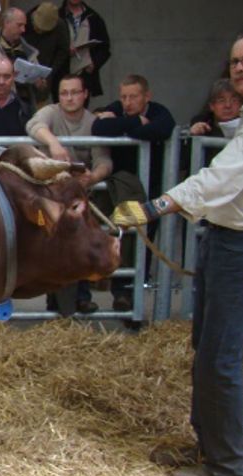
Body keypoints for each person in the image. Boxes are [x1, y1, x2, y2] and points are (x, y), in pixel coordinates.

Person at [111, 31, 243, 476]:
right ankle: (210, 447)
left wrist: (154, 207)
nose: (240, 69)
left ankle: (227, 467)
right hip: (227, 240)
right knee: (206, 351)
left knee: (219, 358)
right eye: (235, 62)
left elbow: (222, 176)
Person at [26, 73, 112, 314]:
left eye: (75, 92)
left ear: (85, 94)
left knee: (82, 244)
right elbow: (33, 125)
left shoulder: (94, 122)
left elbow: (104, 159)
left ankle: (81, 298)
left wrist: (94, 177)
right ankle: (55, 302)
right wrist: (53, 143)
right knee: (50, 245)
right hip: (51, 197)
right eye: (64, 93)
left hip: (81, 197)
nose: (69, 97)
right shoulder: (51, 113)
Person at [91, 74, 175, 311]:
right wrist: (137, 121)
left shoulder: (159, 111)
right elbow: (99, 127)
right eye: (124, 97)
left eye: (133, 97)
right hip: (121, 188)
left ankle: (137, 294)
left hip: (151, 189)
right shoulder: (117, 108)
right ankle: (121, 294)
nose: (127, 102)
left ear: (146, 96)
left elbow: (162, 129)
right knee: (121, 236)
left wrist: (124, 125)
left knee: (144, 240)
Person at [0, 7, 42, 108]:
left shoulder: (28, 51)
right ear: (6, 23)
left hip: (25, 107)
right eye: (19, 25)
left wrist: (39, 83)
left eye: (24, 25)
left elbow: (39, 83)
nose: (23, 30)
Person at [58, 0, 109, 99]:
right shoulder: (57, 16)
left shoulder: (93, 17)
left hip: (84, 73)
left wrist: (94, 64)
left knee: (80, 108)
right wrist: (65, 49)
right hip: (61, 73)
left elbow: (104, 47)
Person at [24, 2, 69, 104]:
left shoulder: (60, 26)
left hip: (45, 71)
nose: (38, 30)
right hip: (24, 68)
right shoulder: (25, 21)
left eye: (42, 30)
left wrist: (51, 70)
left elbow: (63, 50)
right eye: (37, 27)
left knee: (39, 104)